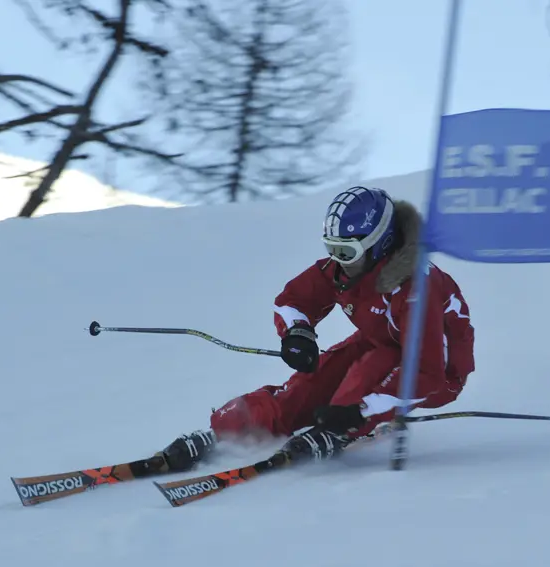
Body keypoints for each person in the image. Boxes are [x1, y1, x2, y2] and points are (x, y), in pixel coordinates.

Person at [154, 185, 475, 472]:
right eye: (331, 248)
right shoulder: (345, 269)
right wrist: (297, 333)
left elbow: (427, 373)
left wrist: (361, 411)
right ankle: (233, 427)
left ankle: (335, 430)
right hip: (379, 341)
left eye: (346, 252)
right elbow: (293, 300)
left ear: (381, 244)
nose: (338, 260)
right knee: (310, 383)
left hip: (436, 372)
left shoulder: (417, 289)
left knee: (359, 382)